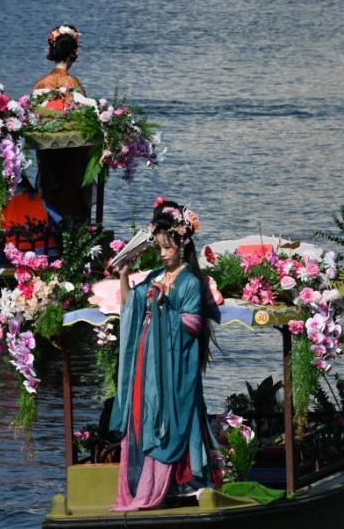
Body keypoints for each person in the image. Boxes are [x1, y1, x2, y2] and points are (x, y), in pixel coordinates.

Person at [108, 200, 214, 511]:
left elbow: (192, 324)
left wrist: (163, 308)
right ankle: (141, 483)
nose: (163, 253)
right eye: (160, 248)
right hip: (145, 360)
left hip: (172, 364)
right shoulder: (154, 275)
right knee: (144, 414)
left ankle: (178, 485)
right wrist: (124, 275)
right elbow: (131, 306)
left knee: (171, 414)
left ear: (183, 244)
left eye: (168, 247)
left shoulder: (190, 282)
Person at [33, 24, 92, 221]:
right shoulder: (74, 84)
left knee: (50, 189)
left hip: (47, 151)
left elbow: (34, 115)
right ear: (73, 54)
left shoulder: (42, 84)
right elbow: (86, 120)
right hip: (73, 155)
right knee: (71, 192)